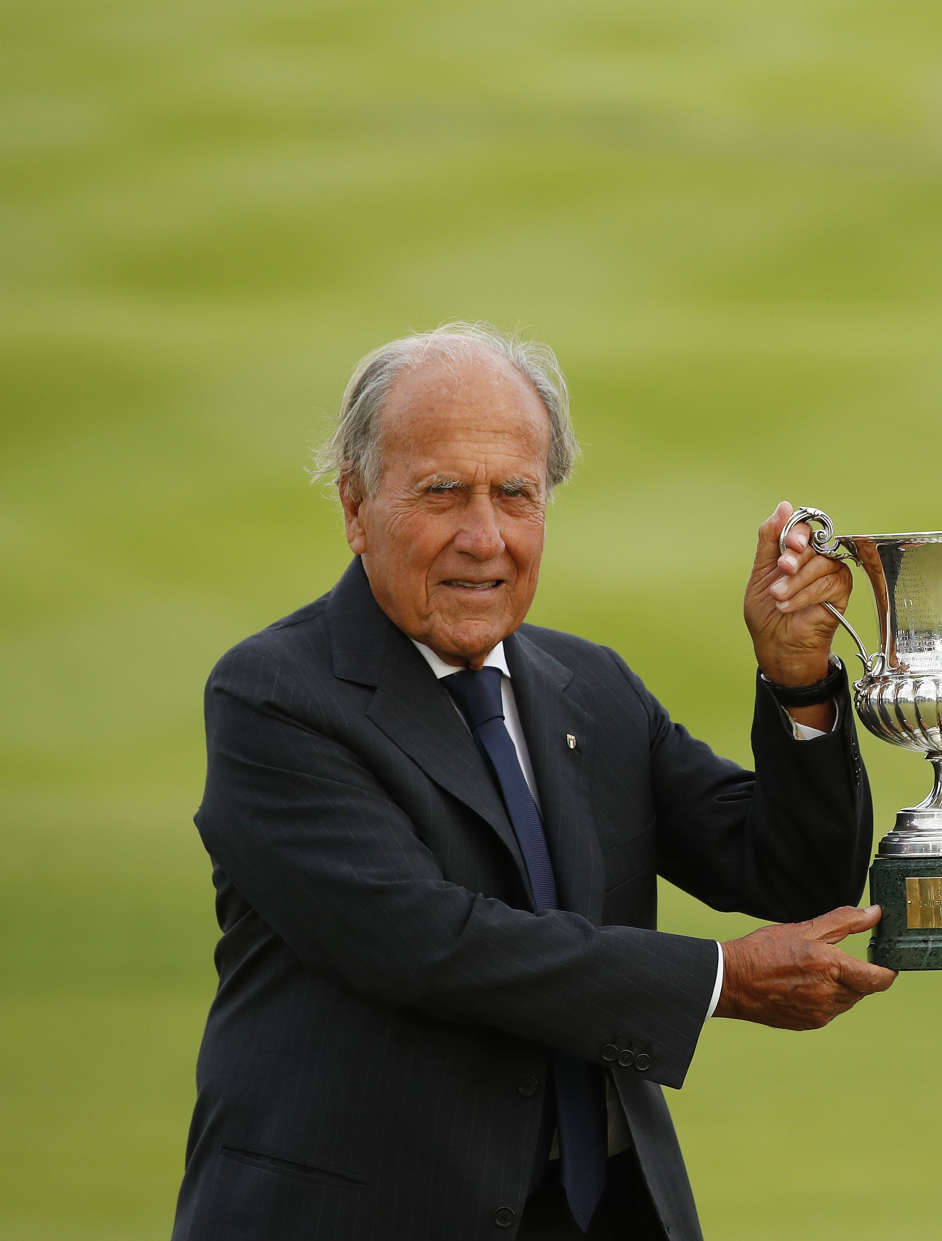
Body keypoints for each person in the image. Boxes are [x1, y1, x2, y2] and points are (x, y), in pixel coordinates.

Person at [172, 323, 895, 1241]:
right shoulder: (275, 695)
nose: (486, 537)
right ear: (356, 506)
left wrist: (797, 681)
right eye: (443, 493)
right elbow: (429, 943)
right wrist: (720, 979)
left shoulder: (589, 685)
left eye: (516, 493)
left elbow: (794, 877)